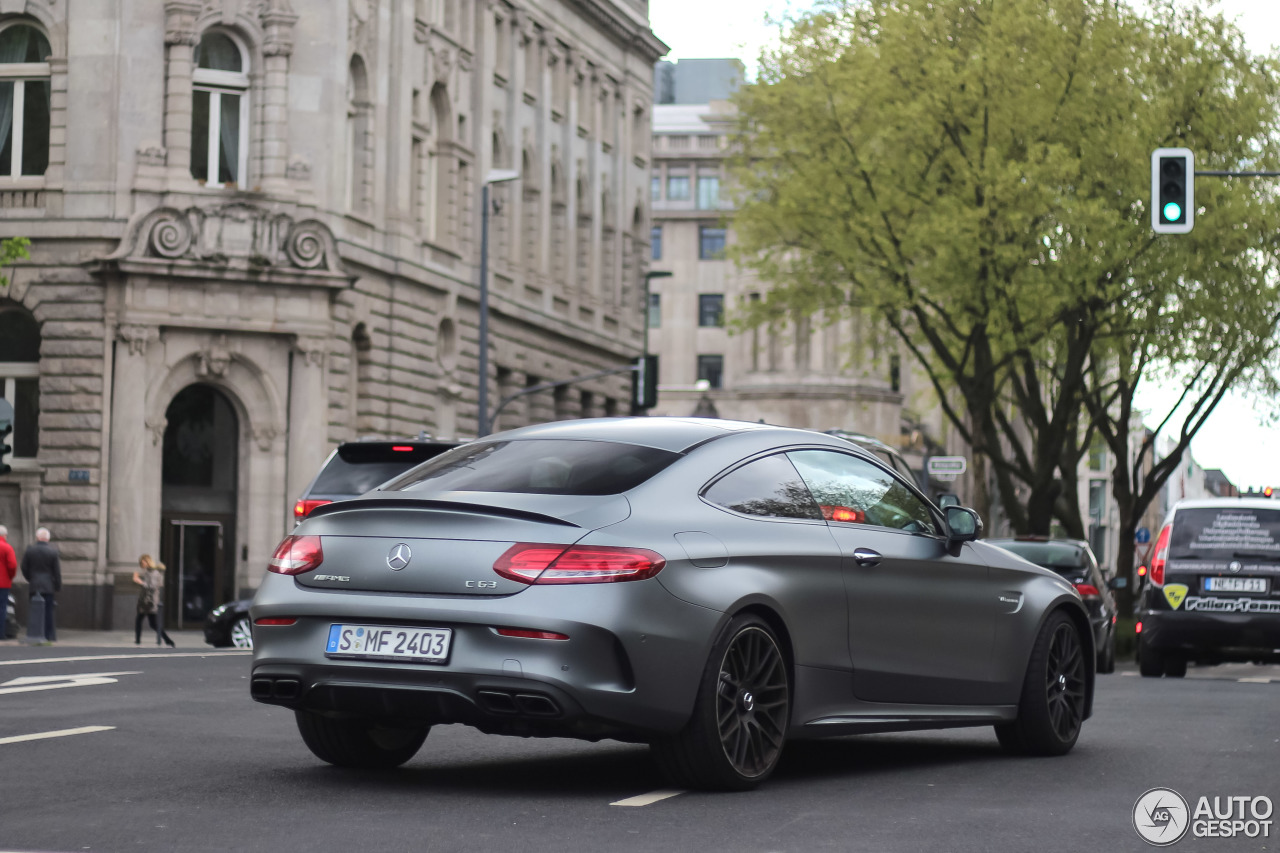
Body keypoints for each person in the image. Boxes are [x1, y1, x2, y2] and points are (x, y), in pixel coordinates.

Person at [20, 527, 59, 643]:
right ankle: (48, 635)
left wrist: (30, 578)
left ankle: (34, 633)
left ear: (37, 537)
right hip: (48, 586)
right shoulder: (53, 552)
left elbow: (24, 567)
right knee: (48, 611)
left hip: (34, 584)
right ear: (48, 539)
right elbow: (57, 572)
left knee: (34, 611)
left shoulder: (30, 551)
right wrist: (57, 586)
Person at [133, 555, 175, 647]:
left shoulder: (154, 573)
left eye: (142, 563)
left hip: (150, 602)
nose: (141, 565)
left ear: (147, 562)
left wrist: (139, 581)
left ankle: (168, 640)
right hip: (144, 601)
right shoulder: (148, 572)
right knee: (140, 620)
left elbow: (152, 587)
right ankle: (137, 640)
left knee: (153, 624)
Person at [0, 525, 17, 641]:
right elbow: (12, 565)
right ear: (4, 535)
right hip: (3, 583)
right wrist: (9, 577)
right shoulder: (7, 547)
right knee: (2, 608)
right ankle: (1, 633)